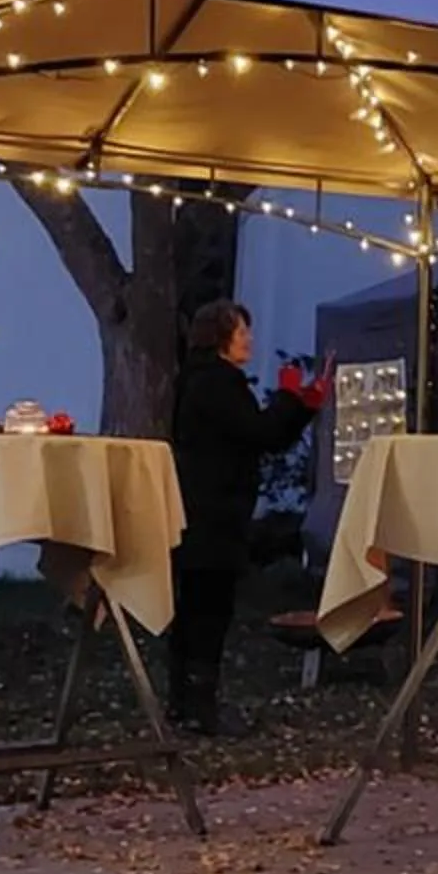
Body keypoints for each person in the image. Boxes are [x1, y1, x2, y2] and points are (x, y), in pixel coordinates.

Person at [168, 301, 328, 735]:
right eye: (242, 332)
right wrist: (291, 399)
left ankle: (184, 701)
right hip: (213, 511)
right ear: (222, 337)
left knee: (196, 605)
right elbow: (258, 433)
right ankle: (198, 706)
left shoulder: (199, 378)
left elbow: (263, 436)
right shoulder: (216, 382)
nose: (249, 340)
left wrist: (300, 407)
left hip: (204, 508)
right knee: (208, 608)